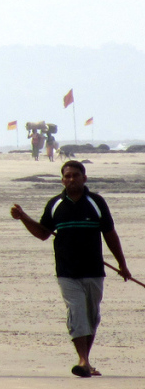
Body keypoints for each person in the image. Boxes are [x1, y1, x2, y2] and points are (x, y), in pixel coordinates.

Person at [10, 159, 131, 377]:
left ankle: (86, 361)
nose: (71, 179)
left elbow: (110, 234)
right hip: (67, 272)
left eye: (75, 175)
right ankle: (82, 360)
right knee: (77, 312)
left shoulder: (96, 202)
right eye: (67, 176)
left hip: (93, 270)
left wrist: (122, 264)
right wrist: (23, 218)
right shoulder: (55, 204)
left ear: (84, 178)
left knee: (91, 316)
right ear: (62, 180)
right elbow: (42, 233)